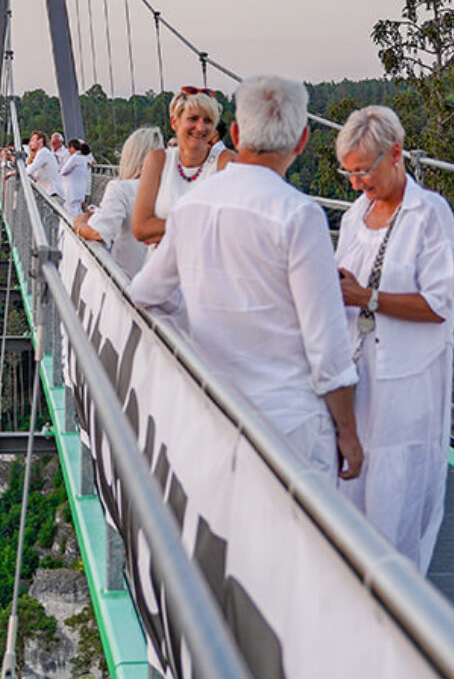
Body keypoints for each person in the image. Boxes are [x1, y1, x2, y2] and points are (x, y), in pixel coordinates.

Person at [131, 75, 362, 479]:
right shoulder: (300, 215)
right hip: (290, 426)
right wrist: (348, 433)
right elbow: (326, 344)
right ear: (302, 140)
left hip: (212, 413)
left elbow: (145, 293)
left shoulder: (190, 208)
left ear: (235, 133)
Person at [332, 106, 454, 572]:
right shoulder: (354, 215)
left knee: (396, 502)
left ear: (396, 154)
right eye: (349, 172)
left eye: (363, 170)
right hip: (355, 378)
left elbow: (439, 305)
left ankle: (399, 615)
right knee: (349, 497)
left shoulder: (430, 215)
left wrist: (368, 296)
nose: (356, 182)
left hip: (406, 387)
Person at [132, 87, 235, 247]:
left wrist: (162, 229)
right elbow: (140, 229)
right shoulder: (158, 160)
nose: (200, 128)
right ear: (175, 122)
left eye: (208, 121)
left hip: (205, 268)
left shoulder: (225, 161)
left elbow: (227, 228)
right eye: (193, 119)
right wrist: (201, 224)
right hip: (160, 268)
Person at [73, 127, 160, 276]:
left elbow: (99, 232)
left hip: (129, 283)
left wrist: (79, 224)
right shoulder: (170, 188)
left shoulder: (121, 189)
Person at [23, 131, 61, 196]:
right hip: (48, 193)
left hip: (53, 193)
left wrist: (13, 172)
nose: (30, 143)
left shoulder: (43, 152)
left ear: (40, 141)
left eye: (32, 140)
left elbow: (29, 171)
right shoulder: (40, 154)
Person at [58, 138, 92, 210]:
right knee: (77, 211)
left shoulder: (74, 158)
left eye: (69, 148)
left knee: (69, 213)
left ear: (72, 148)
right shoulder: (83, 158)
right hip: (80, 191)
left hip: (71, 192)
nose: (68, 150)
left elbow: (63, 171)